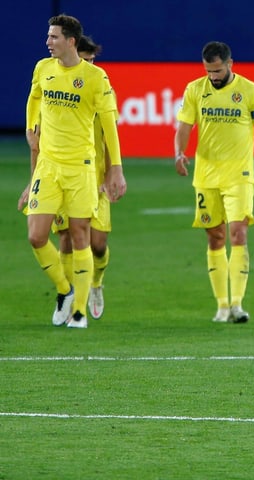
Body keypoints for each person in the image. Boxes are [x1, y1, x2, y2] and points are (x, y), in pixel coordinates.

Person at [24, 15, 126, 328]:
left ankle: (80, 310)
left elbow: (110, 124)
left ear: (71, 41)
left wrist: (116, 170)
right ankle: (65, 290)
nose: (47, 42)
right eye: (48, 36)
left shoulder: (95, 78)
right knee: (37, 237)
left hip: (81, 167)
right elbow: (34, 96)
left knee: (85, 238)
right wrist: (31, 129)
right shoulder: (43, 68)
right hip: (49, 166)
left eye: (53, 37)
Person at [174, 41, 254, 324]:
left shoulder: (249, 91)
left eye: (218, 70)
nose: (213, 76)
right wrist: (179, 153)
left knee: (238, 233)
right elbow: (184, 126)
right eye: (209, 71)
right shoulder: (194, 90)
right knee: (215, 237)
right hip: (206, 176)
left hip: (240, 176)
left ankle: (237, 304)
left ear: (230, 64)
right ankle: (221, 305)